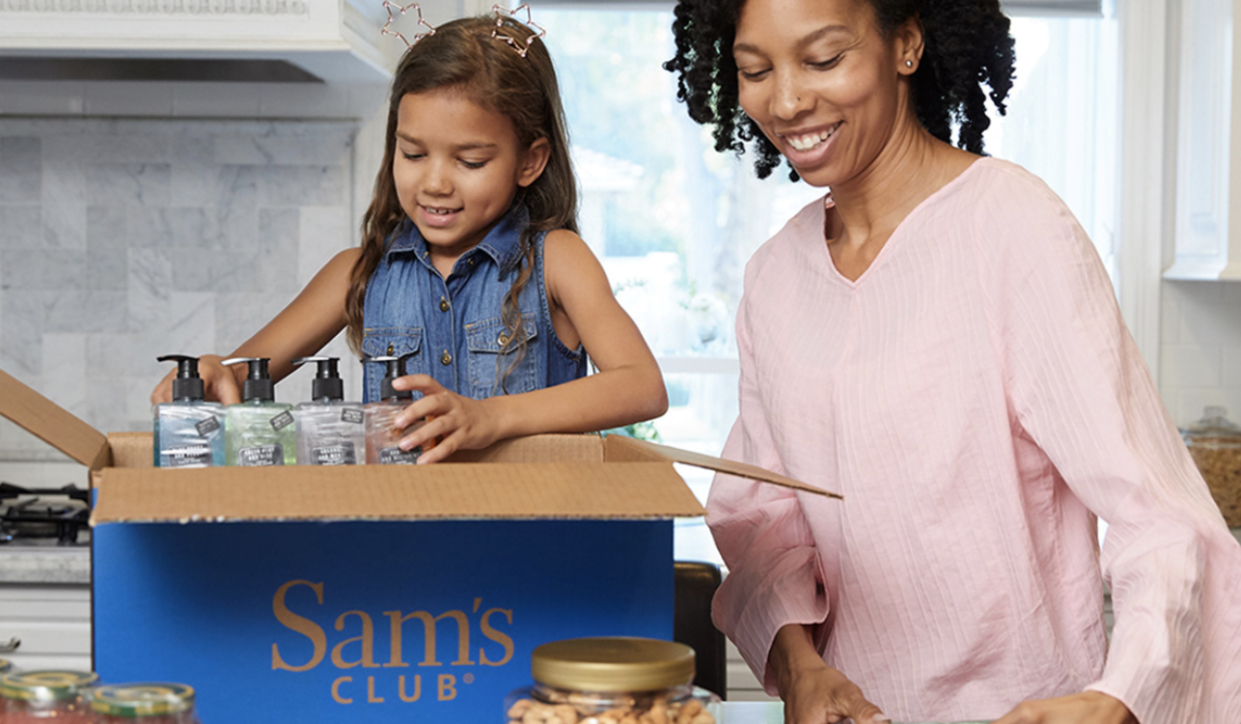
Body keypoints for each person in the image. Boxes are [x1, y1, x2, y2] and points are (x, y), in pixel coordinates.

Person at [664, 0, 1241, 723]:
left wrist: (1115, 698)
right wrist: (800, 666)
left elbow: (1158, 515)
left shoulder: (1011, 230)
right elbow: (763, 521)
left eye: (822, 59)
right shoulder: (775, 278)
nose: (784, 100)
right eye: (755, 69)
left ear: (904, 46)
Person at [151, 13, 668, 464]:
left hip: (534, 544)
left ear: (529, 161)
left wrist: (488, 417)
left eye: (470, 161)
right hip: (403, 542)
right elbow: (241, 376)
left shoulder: (556, 260)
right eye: (414, 154)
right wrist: (212, 374)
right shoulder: (358, 272)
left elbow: (642, 387)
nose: (435, 182)